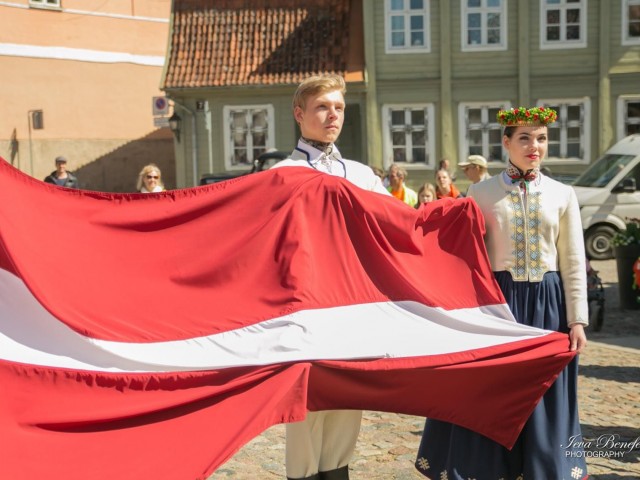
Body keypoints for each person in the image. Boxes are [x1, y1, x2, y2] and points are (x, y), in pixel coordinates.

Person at [415, 107, 589, 480]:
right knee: (491, 392)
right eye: (524, 138)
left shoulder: (562, 194)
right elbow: (462, 256)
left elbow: (573, 260)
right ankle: (485, 469)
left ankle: (545, 468)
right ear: (506, 142)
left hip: (548, 307)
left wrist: (576, 319)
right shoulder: (480, 192)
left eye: (541, 137)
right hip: (500, 306)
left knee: (546, 395)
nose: (534, 146)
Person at [271, 74, 388, 480]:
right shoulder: (281, 175)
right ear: (300, 114)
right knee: (306, 408)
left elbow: (398, 225)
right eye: (323, 107)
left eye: (338, 107)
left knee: (344, 405)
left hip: (353, 306)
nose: (332, 115)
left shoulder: (361, 175)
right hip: (305, 308)